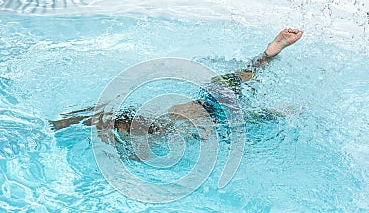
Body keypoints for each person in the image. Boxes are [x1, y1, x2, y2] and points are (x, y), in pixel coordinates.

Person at [50, 29, 303, 142]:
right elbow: (96, 114)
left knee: (260, 116)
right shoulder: (150, 120)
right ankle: (268, 56)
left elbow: (96, 116)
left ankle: (269, 60)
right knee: (237, 85)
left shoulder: (160, 131)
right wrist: (63, 122)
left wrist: (62, 123)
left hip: (217, 114)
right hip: (210, 103)